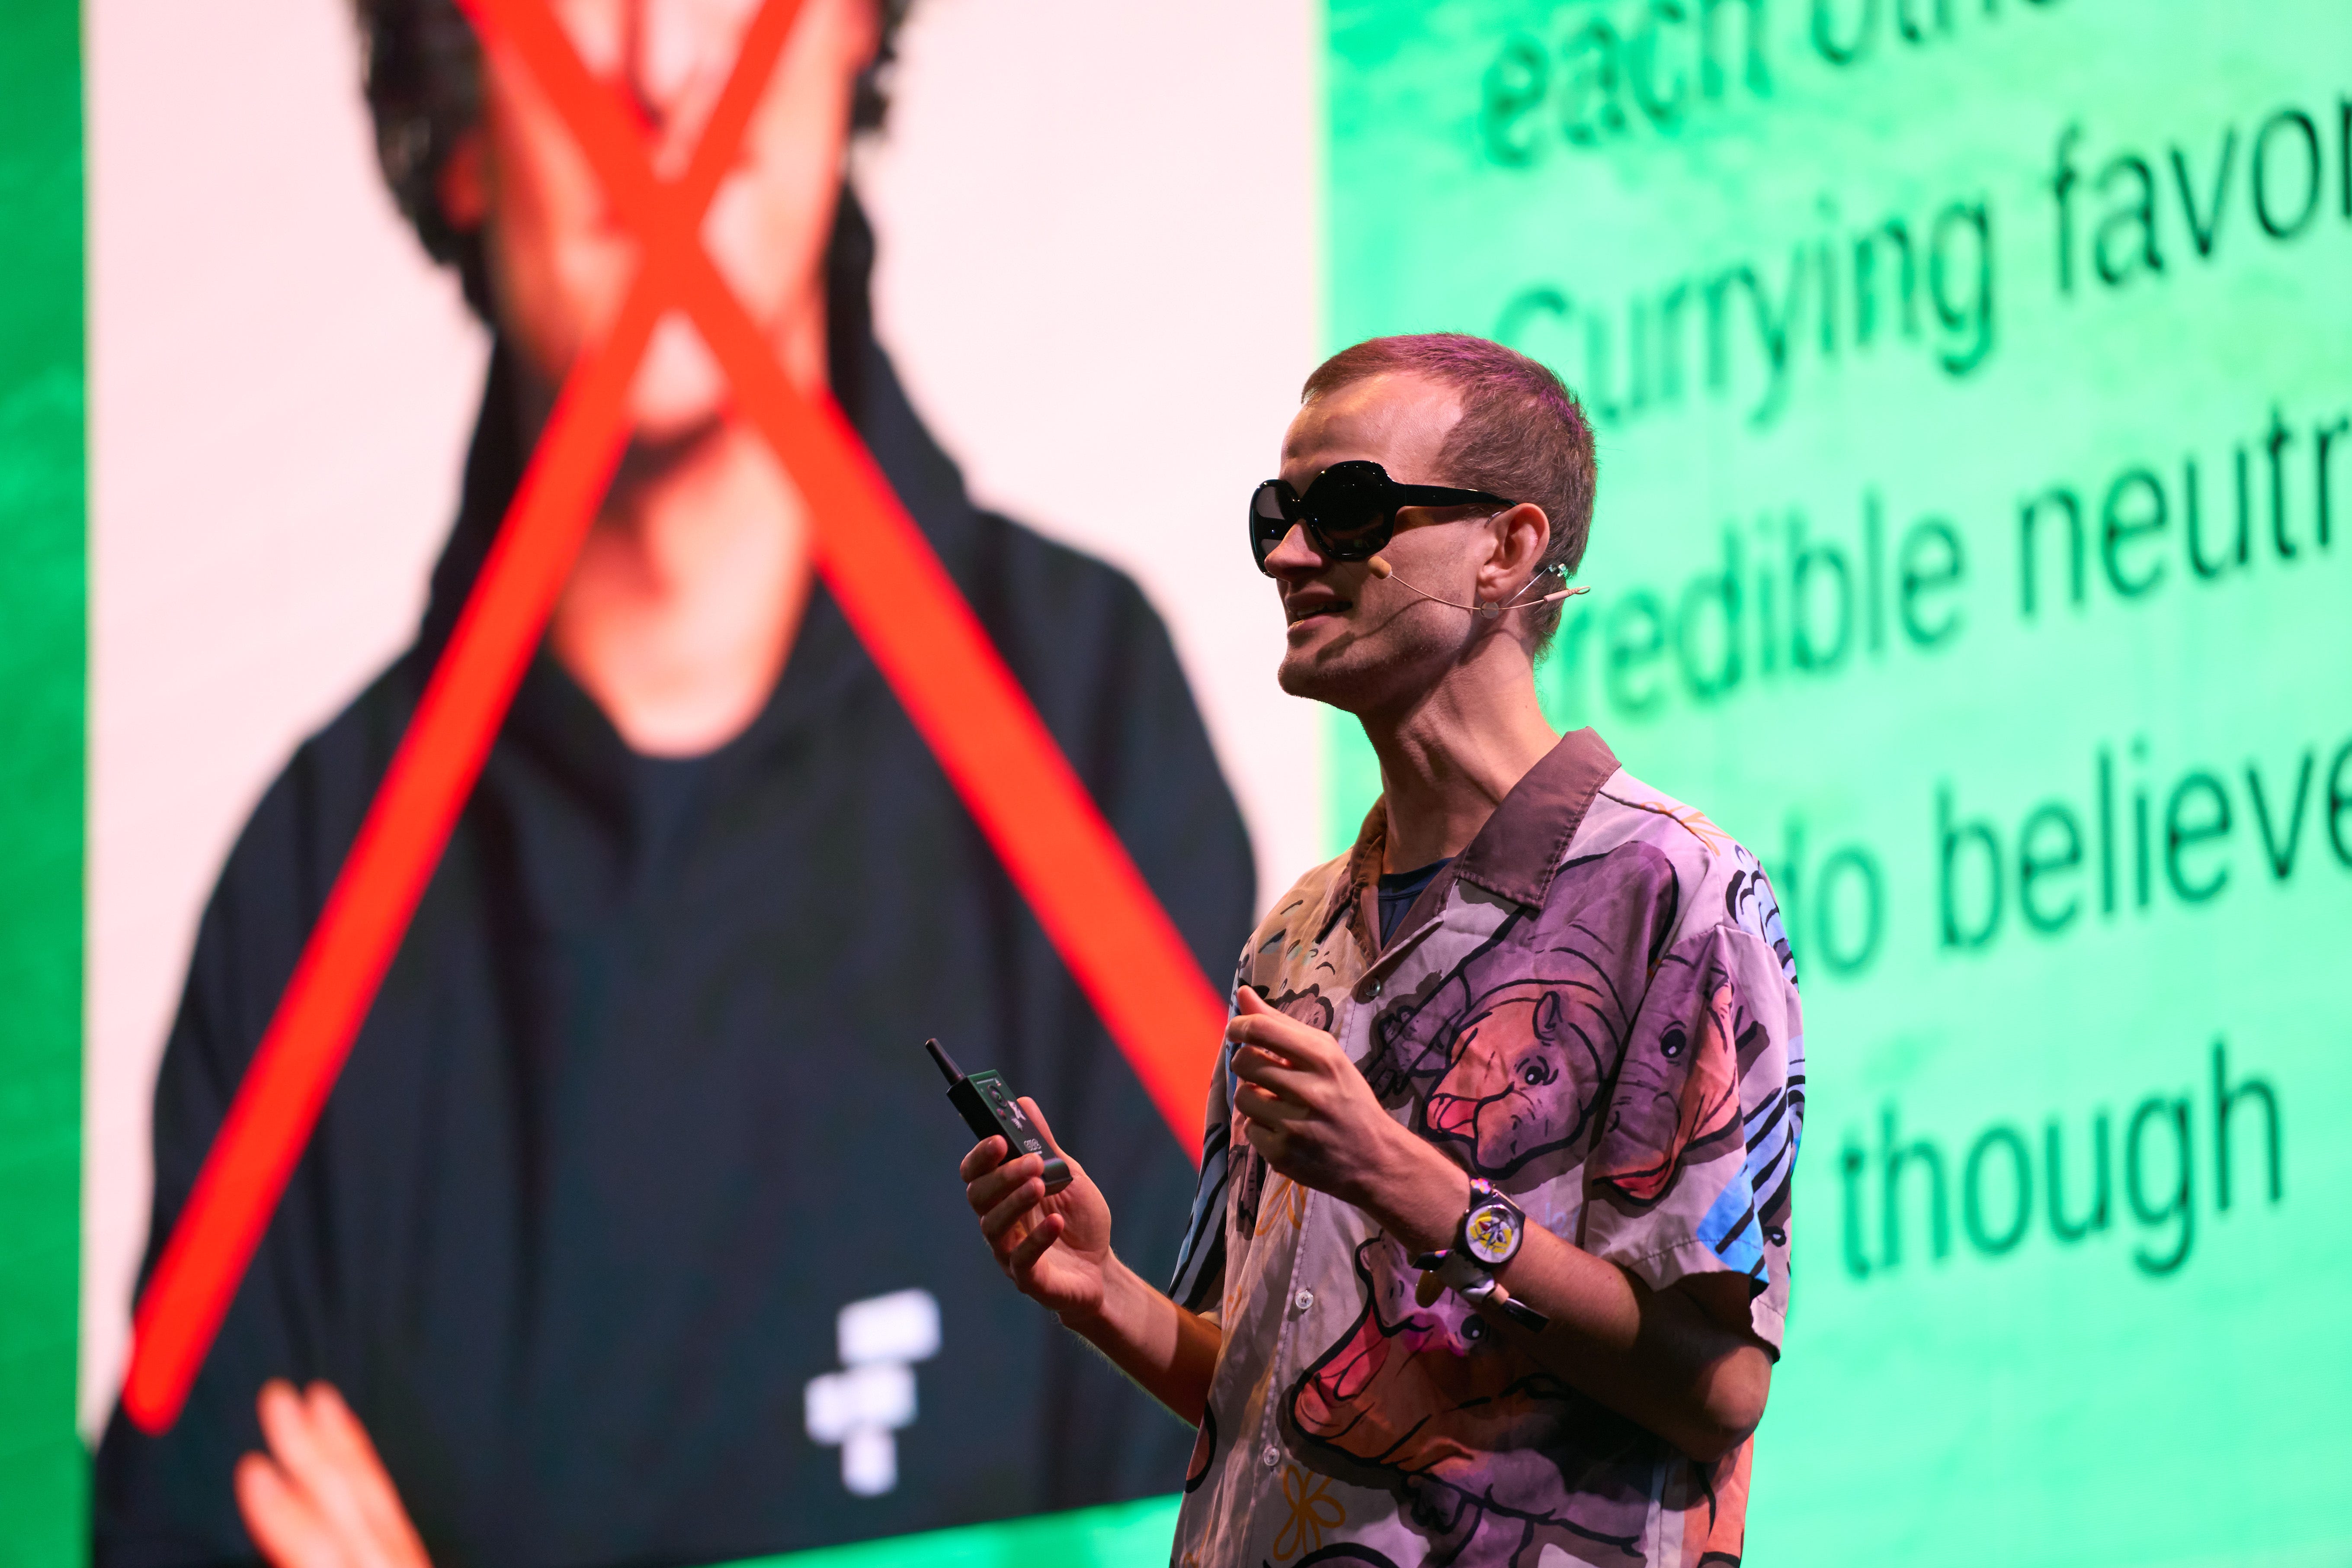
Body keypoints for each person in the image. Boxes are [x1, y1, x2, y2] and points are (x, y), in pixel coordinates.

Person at [93, 0, 1253, 1562]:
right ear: (454, 115)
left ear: (848, 45)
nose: (655, 77)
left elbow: (1246, 1487)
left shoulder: (1092, 720)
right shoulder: (309, 886)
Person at [962, 333, 1804, 1566]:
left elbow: (1720, 1385)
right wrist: (1106, 1295)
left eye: (1348, 509)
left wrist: (1416, 1189)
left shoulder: (1675, 890)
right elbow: (1282, 1391)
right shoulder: (1293, 939)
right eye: (1277, 515)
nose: (1290, 554)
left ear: (1508, 549)